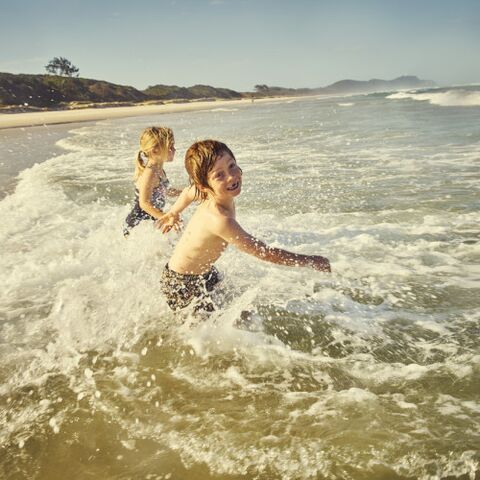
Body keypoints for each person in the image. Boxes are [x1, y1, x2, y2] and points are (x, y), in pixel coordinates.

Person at [159, 140, 331, 312]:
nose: (231, 176)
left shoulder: (206, 193)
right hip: (182, 285)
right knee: (207, 334)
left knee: (236, 314)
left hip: (204, 273)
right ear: (204, 186)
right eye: (219, 175)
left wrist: (174, 213)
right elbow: (265, 253)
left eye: (232, 165)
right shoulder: (220, 219)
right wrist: (310, 261)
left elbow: (188, 192)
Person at [123, 126, 181, 237]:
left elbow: (166, 191)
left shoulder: (159, 170)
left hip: (150, 222)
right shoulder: (150, 173)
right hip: (137, 226)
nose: (174, 150)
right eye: (170, 146)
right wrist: (166, 217)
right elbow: (144, 203)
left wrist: (188, 193)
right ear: (155, 150)